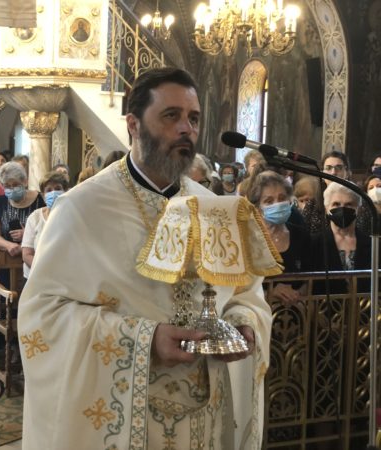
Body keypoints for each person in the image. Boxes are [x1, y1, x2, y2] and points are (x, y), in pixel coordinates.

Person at [18, 68, 272, 449]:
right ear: (133, 125)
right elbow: (41, 316)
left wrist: (244, 325)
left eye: (194, 118)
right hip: (128, 419)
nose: (186, 129)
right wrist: (145, 339)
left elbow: (246, 294)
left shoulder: (213, 207)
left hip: (207, 415)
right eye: (171, 116)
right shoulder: (81, 209)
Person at [247, 171, 310, 305]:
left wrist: (296, 295)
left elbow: (310, 278)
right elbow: (242, 285)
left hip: (297, 309)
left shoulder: (301, 234)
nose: (278, 204)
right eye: (269, 201)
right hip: (259, 310)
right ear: (257, 208)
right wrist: (270, 291)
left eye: (282, 198)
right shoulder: (247, 238)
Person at [310, 182, 370, 293]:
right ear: (326, 208)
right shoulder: (314, 244)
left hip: (364, 303)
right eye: (336, 204)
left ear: (359, 208)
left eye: (349, 204)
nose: (342, 209)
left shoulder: (372, 244)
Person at [0, 161, 44, 256]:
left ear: (25, 182)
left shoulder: (40, 201)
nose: (12, 189)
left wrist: (27, 235)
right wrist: (8, 245)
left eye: (15, 185)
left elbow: (47, 231)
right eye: (7, 186)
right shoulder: (0, 202)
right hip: (7, 257)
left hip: (35, 256)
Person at [21, 171, 68, 277]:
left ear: (65, 192)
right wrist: (46, 272)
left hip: (64, 276)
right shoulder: (35, 218)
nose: (53, 192)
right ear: (43, 195)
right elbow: (27, 255)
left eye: (58, 188)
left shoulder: (72, 216)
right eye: (49, 190)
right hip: (37, 275)